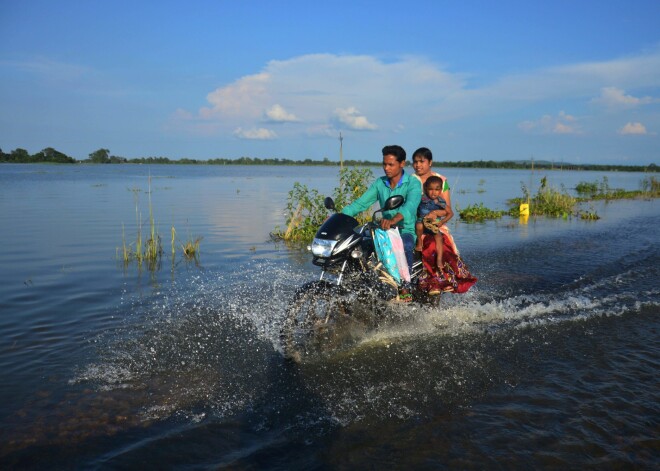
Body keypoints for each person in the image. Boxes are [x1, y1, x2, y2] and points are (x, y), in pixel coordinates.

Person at [341, 145, 422, 301]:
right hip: (384, 231)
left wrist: (393, 220)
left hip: (404, 230)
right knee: (356, 246)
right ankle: (357, 285)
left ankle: (405, 286)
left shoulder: (412, 183)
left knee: (405, 245)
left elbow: (410, 206)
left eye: (391, 164)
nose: (386, 168)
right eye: (384, 164)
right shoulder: (380, 183)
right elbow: (360, 204)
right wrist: (338, 217)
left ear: (402, 164)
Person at [411, 147, 477, 295]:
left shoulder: (441, 180)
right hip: (416, 223)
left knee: (438, 244)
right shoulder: (410, 180)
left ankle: (442, 279)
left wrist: (435, 215)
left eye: (422, 161)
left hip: (435, 224)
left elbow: (447, 208)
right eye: (415, 162)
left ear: (430, 162)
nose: (418, 165)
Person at [415, 175, 448, 269]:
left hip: (432, 224)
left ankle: (439, 259)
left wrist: (441, 220)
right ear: (426, 188)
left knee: (439, 237)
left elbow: (448, 212)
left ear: (441, 190)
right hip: (421, 220)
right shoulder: (422, 198)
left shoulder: (440, 201)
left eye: (437, 190)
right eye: (430, 189)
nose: (433, 192)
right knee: (419, 226)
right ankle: (419, 242)